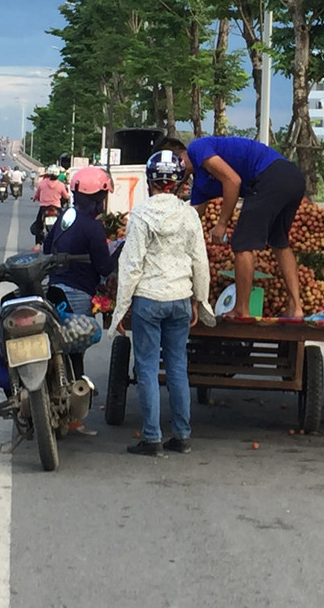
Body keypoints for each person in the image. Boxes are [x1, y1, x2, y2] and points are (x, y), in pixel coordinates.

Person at [112, 150, 209, 457]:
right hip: (180, 299)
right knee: (178, 367)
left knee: (148, 368)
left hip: (149, 300)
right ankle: (182, 435)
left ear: (150, 181)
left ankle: (152, 437)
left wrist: (120, 309)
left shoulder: (141, 215)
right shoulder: (189, 214)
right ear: (180, 182)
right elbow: (200, 262)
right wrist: (200, 300)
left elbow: (131, 266)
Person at [163, 135, 305, 319]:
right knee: (279, 241)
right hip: (291, 179)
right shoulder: (199, 183)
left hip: (271, 175)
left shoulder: (197, 148)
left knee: (242, 243)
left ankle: (241, 309)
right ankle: (296, 307)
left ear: (179, 157)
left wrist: (221, 224)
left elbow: (233, 181)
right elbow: (196, 213)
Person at [43, 165, 117, 388]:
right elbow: (104, 268)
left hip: (54, 289)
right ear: (98, 198)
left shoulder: (66, 215)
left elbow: (47, 247)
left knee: (57, 347)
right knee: (75, 353)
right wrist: (121, 249)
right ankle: (75, 412)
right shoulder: (94, 227)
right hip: (78, 296)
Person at [31, 164, 71, 245]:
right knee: (62, 225)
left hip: (44, 207)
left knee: (39, 225)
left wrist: (34, 198)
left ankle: (38, 244)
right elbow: (66, 196)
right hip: (56, 207)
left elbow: (37, 194)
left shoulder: (42, 183)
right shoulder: (61, 185)